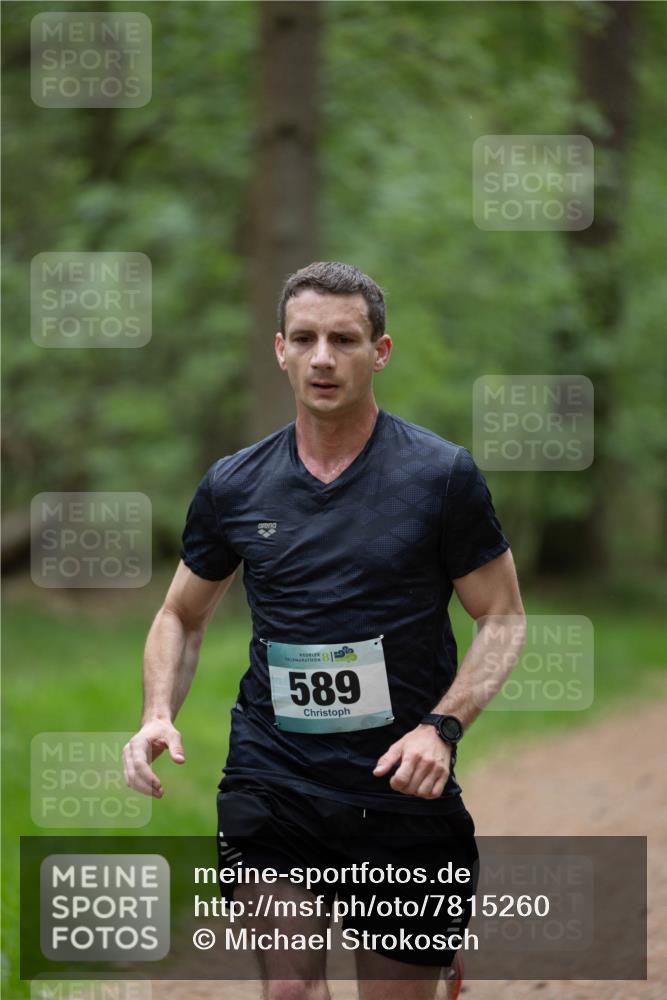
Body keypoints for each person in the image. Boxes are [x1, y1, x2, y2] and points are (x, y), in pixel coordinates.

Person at [124, 261, 525, 1000]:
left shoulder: (440, 477)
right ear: (279, 349)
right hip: (273, 772)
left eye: (343, 340)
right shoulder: (234, 484)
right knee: (289, 989)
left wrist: (442, 727)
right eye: (304, 338)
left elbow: (501, 618)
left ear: (380, 351)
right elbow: (180, 613)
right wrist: (156, 714)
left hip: (400, 780)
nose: (322, 358)